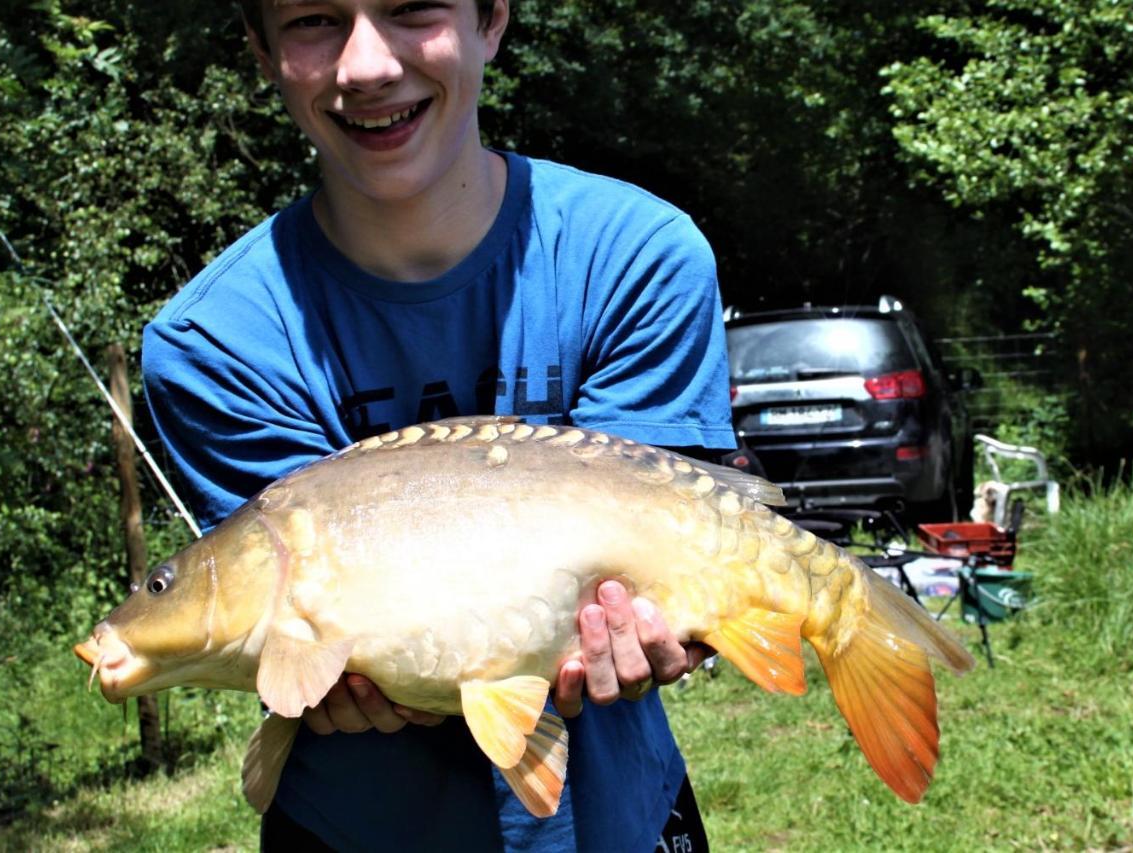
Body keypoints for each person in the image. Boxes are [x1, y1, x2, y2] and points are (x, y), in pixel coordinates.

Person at [141, 1, 734, 849]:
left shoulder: (639, 255)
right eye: (313, 20)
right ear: (262, 50)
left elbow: (670, 574)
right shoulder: (212, 343)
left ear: (493, 19)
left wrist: (694, 623)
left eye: (412, 8)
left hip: (622, 822)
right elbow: (289, 630)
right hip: (351, 830)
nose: (366, 65)